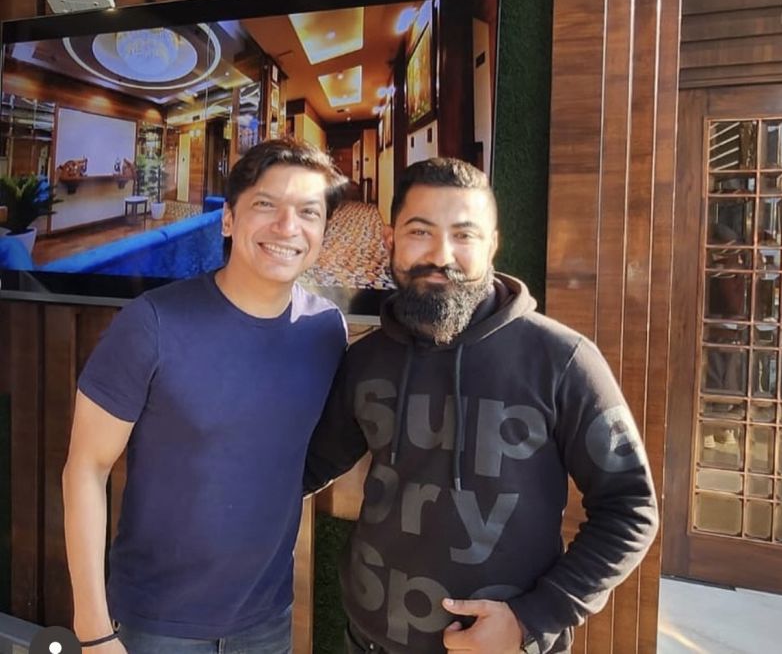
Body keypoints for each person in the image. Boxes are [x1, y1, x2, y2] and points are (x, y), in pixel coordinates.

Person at [304, 158, 659, 654]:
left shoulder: (561, 359)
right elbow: (311, 464)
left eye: (464, 235)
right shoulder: (367, 359)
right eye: (420, 232)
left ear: (492, 244)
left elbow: (630, 508)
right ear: (390, 240)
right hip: (368, 641)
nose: (441, 254)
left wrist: (530, 619)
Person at [63, 138, 349, 654]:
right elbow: (86, 468)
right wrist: (93, 629)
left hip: (267, 622)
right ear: (228, 220)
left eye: (308, 212)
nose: (287, 227)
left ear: (323, 232)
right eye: (266, 204)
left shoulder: (327, 330)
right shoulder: (151, 323)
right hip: (154, 626)